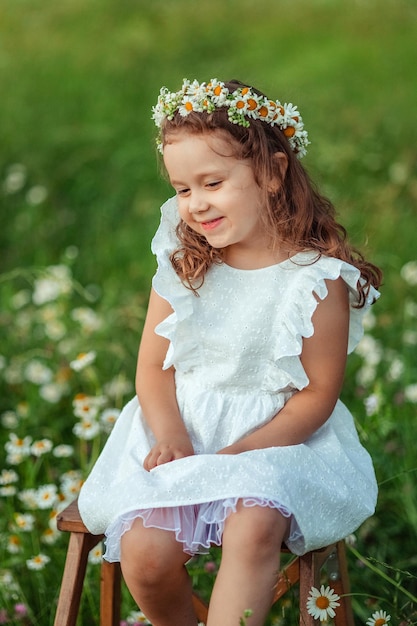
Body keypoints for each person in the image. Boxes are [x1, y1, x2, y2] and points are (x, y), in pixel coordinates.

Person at [79, 78, 382, 626]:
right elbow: (152, 367)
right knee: (146, 554)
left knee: (254, 522)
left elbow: (316, 393)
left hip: (277, 443)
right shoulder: (181, 265)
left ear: (271, 173)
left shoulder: (314, 280)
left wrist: (239, 456)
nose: (195, 204)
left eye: (212, 182)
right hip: (180, 432)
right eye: (181, 188)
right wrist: (171, 436)